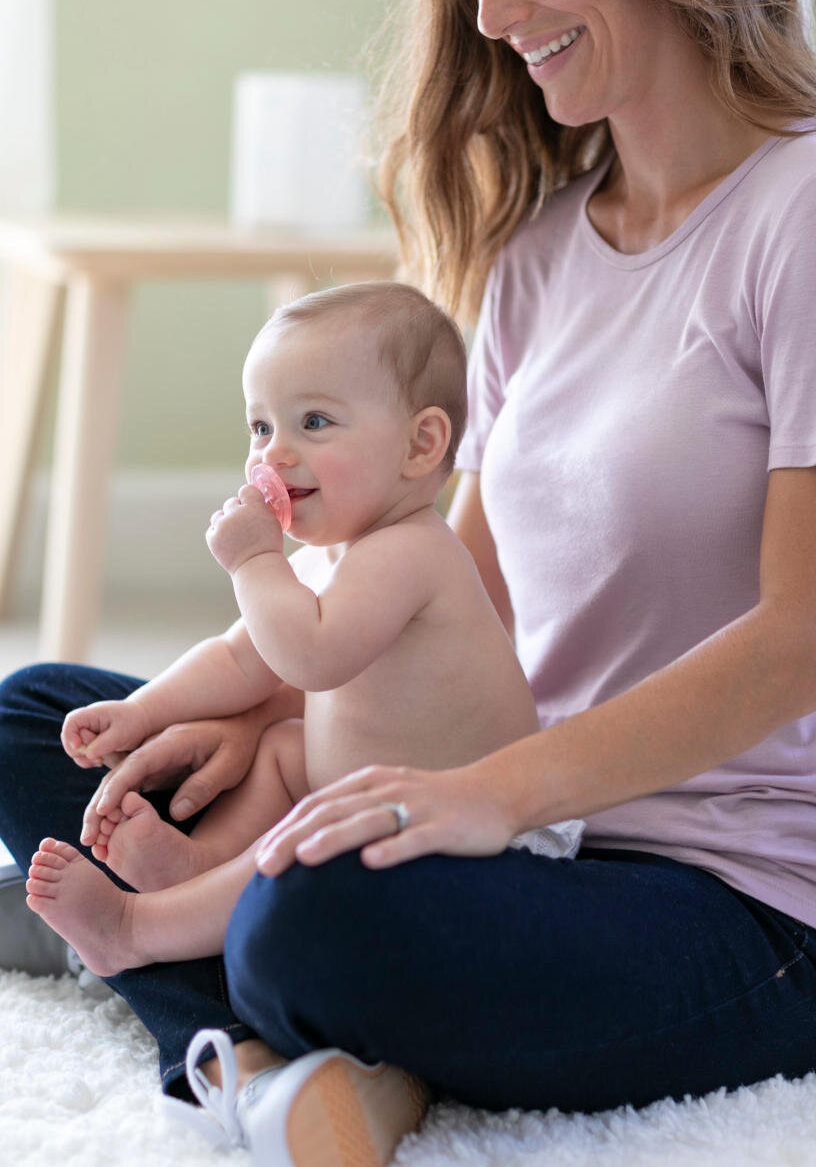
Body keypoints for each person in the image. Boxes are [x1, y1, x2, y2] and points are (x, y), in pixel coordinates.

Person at [0, 0, 816, 1167]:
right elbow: (472, 600)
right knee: (36, 718)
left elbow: (807, 642)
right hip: (521, 830)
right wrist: (273, 727)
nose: (494, 12)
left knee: (312, 909)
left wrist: (477, 797)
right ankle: (269, 1034)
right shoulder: (546, 249)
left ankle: (222, 1016)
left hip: (745, 906)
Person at [23, 280, 578, 982]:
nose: (274, 455)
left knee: (309, 837)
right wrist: (143, 712)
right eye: (261, 427)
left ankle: (138, 930)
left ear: (420, 444)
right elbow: (239, 659)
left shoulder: (414, 552)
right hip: (356, 797)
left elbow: (311, 658)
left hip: (471, 847)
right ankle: (197, 873)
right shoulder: (329, 557)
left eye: (314, 422)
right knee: (285, 748)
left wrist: (256, 563)